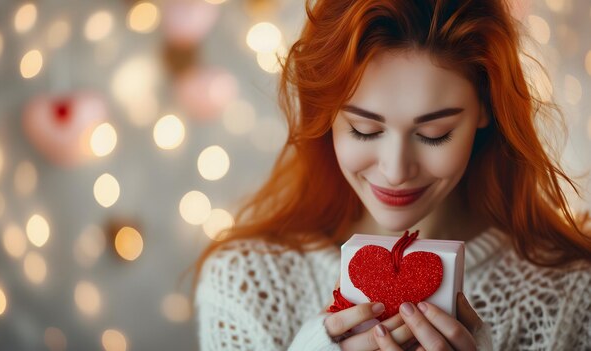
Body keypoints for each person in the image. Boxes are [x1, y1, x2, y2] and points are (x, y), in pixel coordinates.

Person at [193, 0, 591, 350]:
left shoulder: (572, 293)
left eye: (434, 134)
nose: (396, 170)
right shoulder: (244, 282)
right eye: (364, 130)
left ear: (486, 108)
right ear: (328, 115)